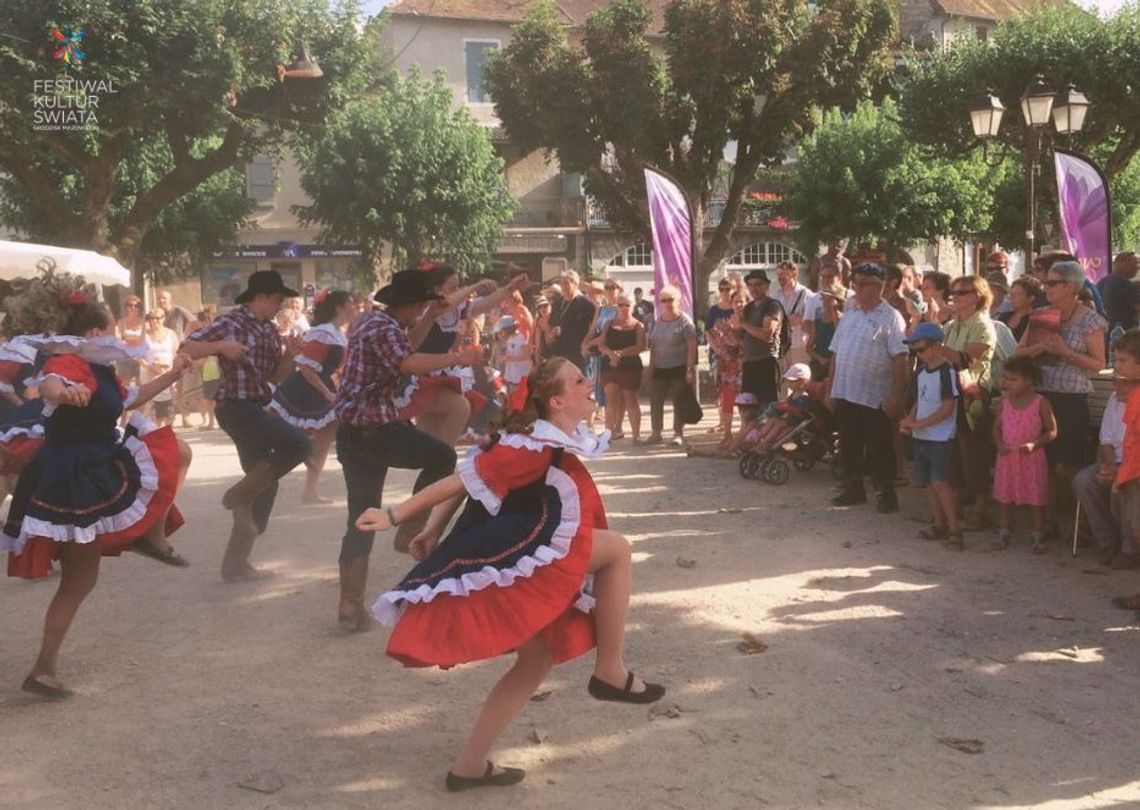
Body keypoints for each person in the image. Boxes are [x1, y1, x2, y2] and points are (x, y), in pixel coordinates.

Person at [359, 358, 665, 791]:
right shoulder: (529, 444)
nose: (589, 384)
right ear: (556, 400)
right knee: (617, 551)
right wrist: (396, 514)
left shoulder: (534, 437)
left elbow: (475, 476)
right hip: (527, 547)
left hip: (523, 540)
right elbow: (459, 482)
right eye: (579, 380)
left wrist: (433, 529)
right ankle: (610, 671)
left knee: (536, 658)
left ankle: (468, 767)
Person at [4, 295, 192, 699]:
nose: (114, 335)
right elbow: (51, 382)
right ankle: (43, 668)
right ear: (93, 333)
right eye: (108, 329)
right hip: (77, 474)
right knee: (77, 581)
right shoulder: (70, 361)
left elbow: (130, 400)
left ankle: (44, 669)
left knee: (78, 582)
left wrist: (174, 374)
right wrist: (62, 393)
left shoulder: (100, 368)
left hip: (92, 463)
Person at [331, 269, 484, 631]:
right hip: (378, 430)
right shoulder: (384, 329)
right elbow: (408, 362)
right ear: (412, 304)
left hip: (355, 432)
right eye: (425, 305)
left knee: (360, 518)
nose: (426, 310)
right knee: (442, 457)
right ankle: (410, 525)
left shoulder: (374, 322)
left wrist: (431, 317)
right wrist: (458, 359)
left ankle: (349, 606)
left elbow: (405, 348)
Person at [181, 270, 313, 582]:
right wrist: (221, 347)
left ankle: (235, 563)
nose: (281, 306)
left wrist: (291, 356)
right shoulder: (231, 323)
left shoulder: (269, 330)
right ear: (262, 297)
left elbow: (275, 377)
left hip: (256, 406)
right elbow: (187, 348)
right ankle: (240, 495)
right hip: (235, 408)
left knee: (264, 484)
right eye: (278, 300)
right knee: (300, 444)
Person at [1015, 260, 1107, 532]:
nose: (1046, 287)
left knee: (1069, 465)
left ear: (1070, 286)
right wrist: (1040, 348)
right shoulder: (1042, 315)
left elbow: (1099, 364)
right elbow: (1019, 352)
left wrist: (1065, 353)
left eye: (1052, 283)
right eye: (1046, 282)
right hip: (1042, 395)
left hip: (1071, 398)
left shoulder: (1090, 319)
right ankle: (1048, 521)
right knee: (1044, 462)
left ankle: (1085, 523)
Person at [826, 263, 908, 513]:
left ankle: (886, 492)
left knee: (879, 445)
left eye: (862, 284)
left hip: (875, 394)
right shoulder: (850, 314)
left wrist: (896, 394)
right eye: (855, 283)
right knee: (849, 442)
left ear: (878, 287)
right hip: (846, 390)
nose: (857, 289)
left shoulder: (892, 317)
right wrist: (830, 388)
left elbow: (900, 358)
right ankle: (854, 487)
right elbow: (835, 354)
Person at [268, 290, 353, 505]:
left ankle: (310, 491)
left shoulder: (336, 332)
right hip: (306, 389)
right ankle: (265, 479)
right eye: (350, 305)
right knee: (297, 440)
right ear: (339, 308)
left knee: (324, 438)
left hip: (320, 386)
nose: (354, 309)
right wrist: (326, 392)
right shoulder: (323, 332)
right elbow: (306, 366)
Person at [939, 275, 998, 531]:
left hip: (973, 394)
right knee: (952, 451)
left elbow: (966, 360)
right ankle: (957, 506)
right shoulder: (951, 325)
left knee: (976, 454)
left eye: (962, 292)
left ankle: (982, 510)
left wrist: (934, 346)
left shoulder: (983, 325)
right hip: (951, 391)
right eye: (953, 292)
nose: (955, 296)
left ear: (977, 296)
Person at [899, 323, 962, 548]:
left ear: (937, 346)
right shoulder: (921, 372)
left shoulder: (947, 371)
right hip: (922, 436)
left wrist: (919, 423)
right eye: (915, 351)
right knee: (929, 483)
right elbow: (920, 401)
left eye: (922, 349)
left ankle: (955, 529)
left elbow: (947, 407)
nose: (919, 354)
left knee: (940, 482)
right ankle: (939, 524)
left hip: (940, 437)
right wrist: (910, 421)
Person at [1072, 373, 1140, 568]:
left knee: (1122, 485)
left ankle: (1130, 550)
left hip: (1134, 466)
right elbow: (1106, 441)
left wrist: (1120, 472)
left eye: (1122, 382)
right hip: (1114, 461)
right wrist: (1110, 466)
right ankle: (1108, 543)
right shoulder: (1114, 399)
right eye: (1114, 381)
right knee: (1083, 480)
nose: (1115, 386)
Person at [991, 356, 1057, 552]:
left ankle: (1037, 535)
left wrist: (1035, 444)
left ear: (1029, 380)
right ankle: (1004, 532)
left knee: (1035, 498)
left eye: (1014, 379)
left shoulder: (1041, 403)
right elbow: (996, 427)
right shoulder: (1003, 403)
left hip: (1032, 458)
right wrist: (999, 443)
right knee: (1004, 497)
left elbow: (1052, 430)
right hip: (1007, 458)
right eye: (1006, 378)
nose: (1008, 383)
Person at [644, 286, 697, 446]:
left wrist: (689, 370)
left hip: (679, 367)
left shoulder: (685, 321)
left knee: (678, 400)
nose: (667, 303)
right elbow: (653, 347)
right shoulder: (658, 321)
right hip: (660, 367)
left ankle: (678, 433)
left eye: (670, 299)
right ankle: (656, 432)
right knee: (656, 400)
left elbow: (692, 347)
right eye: (663, 300)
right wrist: (651, 368)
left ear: (678, 300)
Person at [590, 291, 645, 440]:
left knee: (630, 398)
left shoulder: (638, 325)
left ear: (632, 307)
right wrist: (611, 354)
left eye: (627, 305)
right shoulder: (609, 324)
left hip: (630, 366)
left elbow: (640, 347)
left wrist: (620, 354)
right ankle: (609, 433)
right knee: (611, 396)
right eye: (621, 305)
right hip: (610, 365)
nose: (623, 308)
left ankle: (636, 435)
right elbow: (601, 344)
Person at [735, 271, 784, 425]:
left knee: (767, 406)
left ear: (767, 286)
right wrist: (728, 331)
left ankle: (769, 443)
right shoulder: (748, 308)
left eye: (758, 284)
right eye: (750, 285)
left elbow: (766, 335)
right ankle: (749, 441)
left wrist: (742, 323)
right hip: (749, 363)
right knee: (747, 407)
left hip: (766, 362)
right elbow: (742, 340)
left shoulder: (773, 306)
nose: (754, 288)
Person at [705, 279, 738, 437]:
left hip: (737, 355)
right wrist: (717, 349)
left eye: (728, 288)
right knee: (721, 389)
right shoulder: (714, 310)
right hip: (718, 354)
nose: (725, 292)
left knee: (736, 389)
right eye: (722, 289)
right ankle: (722, 423)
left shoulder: (738, 308)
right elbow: (708, 332)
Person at [548, 270, 597, 372]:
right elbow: (551, 323)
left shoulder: (586, 304)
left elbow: (596, 326)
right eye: (561, 283)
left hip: (576, 353)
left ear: (575, 284)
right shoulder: (557, 303)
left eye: (566, 283)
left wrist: (588, 344)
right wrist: (552, 332)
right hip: (558, 351)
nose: (563, 286)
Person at [141, 309, 180, 427]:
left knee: (170, 406)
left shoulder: (171, 334)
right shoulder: (144, 335)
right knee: (151, 407)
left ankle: (169, 430)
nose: (154, 321)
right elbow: (138, 356)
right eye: (151, 318)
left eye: (157, 318)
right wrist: (150, 367)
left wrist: (171, 368)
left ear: (163, 318)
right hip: (150, 374)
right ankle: (154, 432)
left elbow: (178, 353)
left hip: (168, 372)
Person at [770, 261, 811, 365]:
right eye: (778, 274)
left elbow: (812, 321)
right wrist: (788, 320)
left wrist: (801, 320)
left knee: (798, 379)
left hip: (799, 345)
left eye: (783, 274)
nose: (780, 278)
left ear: (793, 274)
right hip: (780, 345)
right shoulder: (775, 296)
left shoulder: (806, 294)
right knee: (782, 379)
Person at [807, 285, 844, 382]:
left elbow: (840, 336)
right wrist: (820, 359)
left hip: (836, 366)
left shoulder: (844, 319)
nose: (824, 302)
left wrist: (834, 311)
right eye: (823, 299)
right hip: (818, 365)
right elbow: (809, 348)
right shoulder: (818, 317)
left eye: (828, 299)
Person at [1098, 251, 1140, 333]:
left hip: (1107, 333)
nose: (1138, 268)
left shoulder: (1101, 283)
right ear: (1124, 264)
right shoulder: (1126, 285)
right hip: (1126, 335)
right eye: (1135, 264)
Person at [115, 294, 145, 387]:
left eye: (136, 305)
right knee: (124, 386)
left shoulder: (143, 322)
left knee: (141, 385)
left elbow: (143, 340)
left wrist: (128, 340)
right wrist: (134, 340)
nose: (133, 307)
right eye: (130, 305)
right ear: (126, 307)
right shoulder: (121, 322)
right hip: (125, 358)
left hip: (140, 358)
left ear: (139, 308)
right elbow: (119, 340)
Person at [999, 276, 1042, 342]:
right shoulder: (1003, 317)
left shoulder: (1036, 321)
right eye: (1011, 293)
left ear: (1031, 298)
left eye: (1018, 294)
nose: (1012, 297)